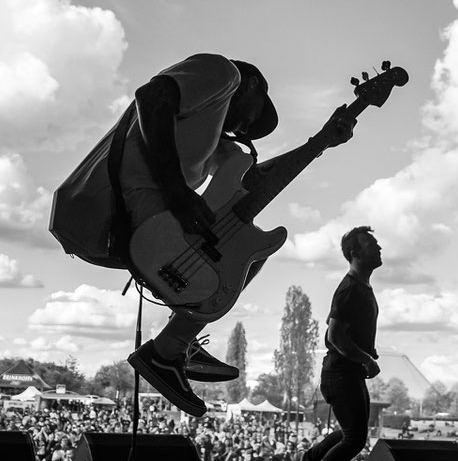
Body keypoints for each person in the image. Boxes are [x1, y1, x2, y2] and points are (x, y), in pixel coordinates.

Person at [54, 53, 357, 417]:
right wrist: (177, 192)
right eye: (249, 119)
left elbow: (254, 183)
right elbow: (152, 97)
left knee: (248, 252)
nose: (241, 130)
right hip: (117, 206)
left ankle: (176, 343)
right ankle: (168, 351)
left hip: (115, 222)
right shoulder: (221, 72)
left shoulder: (207, 132)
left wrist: (320, 143)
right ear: (253, 86)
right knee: (228, 256)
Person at [296, 226, 382, 461]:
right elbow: (334, 338)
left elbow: (337, 333)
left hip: (347, 372)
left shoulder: (360, 288)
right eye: (371, 244)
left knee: (351, 433)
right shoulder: (349, 290)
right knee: (355, 438)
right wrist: (366, 360)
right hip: (341, 373)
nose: (379, 247)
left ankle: (308, 459)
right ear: (355, 253)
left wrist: (365, 352)